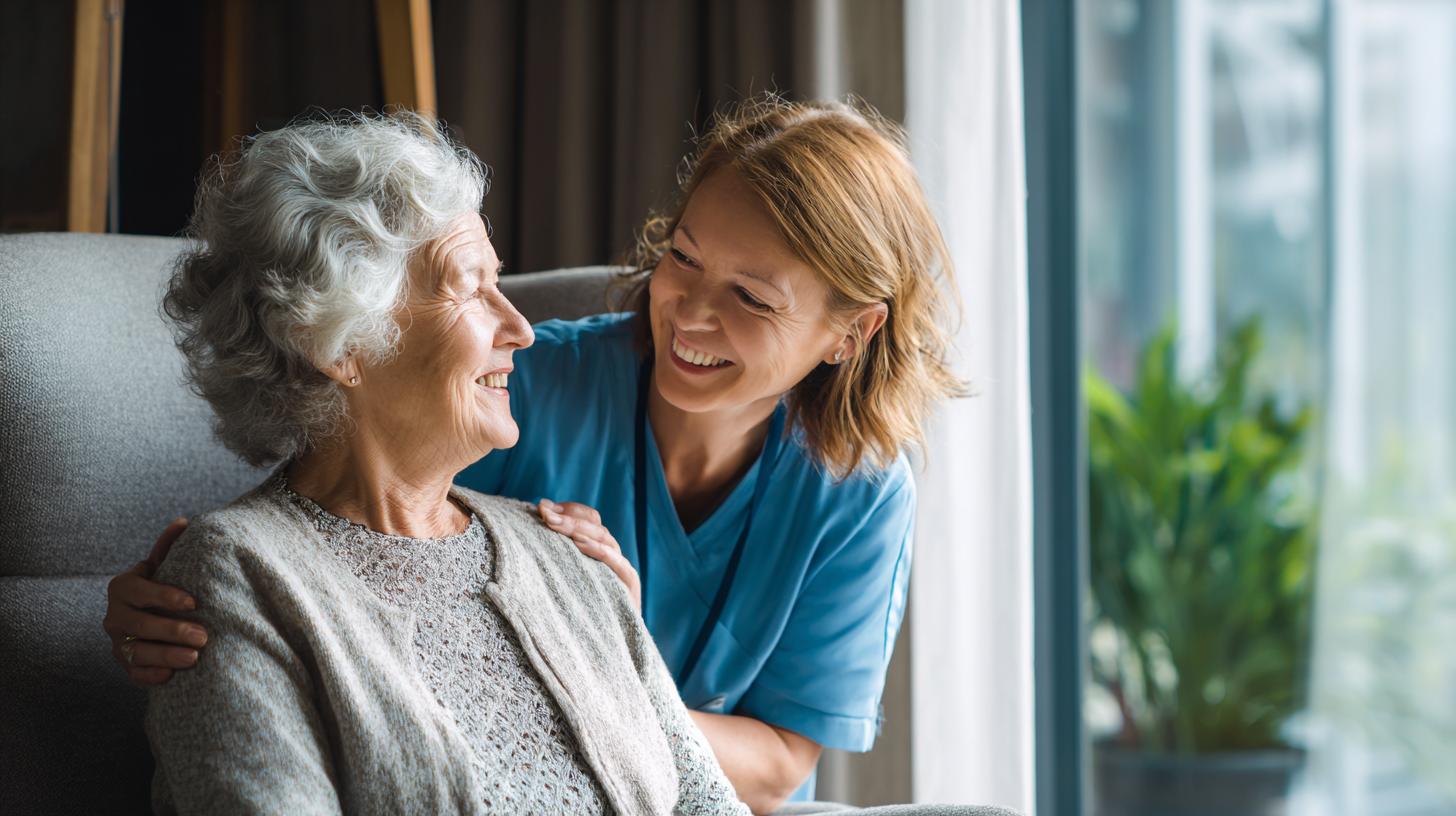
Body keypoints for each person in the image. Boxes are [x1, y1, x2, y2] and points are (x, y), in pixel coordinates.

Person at [106, 97, 962, 812]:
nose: (689, 314)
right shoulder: (523, 384)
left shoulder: (853, 489)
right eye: (683, 259)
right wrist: (192, 584)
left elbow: (762, 773)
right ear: (344, 346)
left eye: (749, 297)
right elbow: (337, 503)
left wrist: (612, 650)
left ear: (851, 333)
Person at [141, 112, 748, 815]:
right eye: (469, 287)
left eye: (502, 283)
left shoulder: (570, 556)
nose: (520, 328)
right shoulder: (238, 575)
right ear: (338, 344)